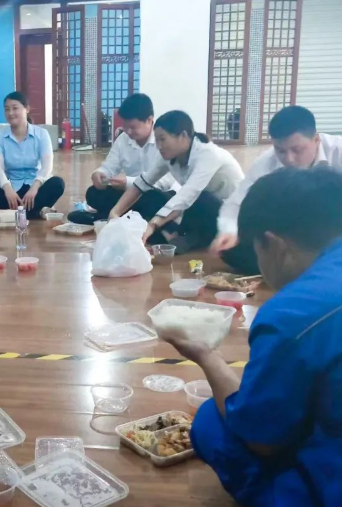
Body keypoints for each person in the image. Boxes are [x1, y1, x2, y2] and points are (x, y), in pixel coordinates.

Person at [160, 167, 342, 507]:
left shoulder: (294, 312)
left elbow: (262, 441)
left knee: (211, 422)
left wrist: (206, 356)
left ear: (275, 245)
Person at [212, 105, 342, 274]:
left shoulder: (338, 151)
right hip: (298, 232)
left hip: (333, 227)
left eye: (297, 150)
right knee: (234, 249)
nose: (289, 159)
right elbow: (236, 202)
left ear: (316, 140)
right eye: (280, 150)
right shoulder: (266, 162)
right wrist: (229, 231)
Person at [108, 110, 244, 253]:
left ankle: (186, 238)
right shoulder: (168, 155)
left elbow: (188, 194)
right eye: (157, 140)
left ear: (183, 136)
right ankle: (174, 234)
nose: (158, 146)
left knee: (203, 199)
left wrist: (153, 224)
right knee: (151, 196)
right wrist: (115, 212)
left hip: (227, 214)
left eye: (162, 139)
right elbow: (143, 182)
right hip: (191, 207)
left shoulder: (208, 154)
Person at [68, 93, 178, 225]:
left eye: (133, 127)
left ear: (149, 120)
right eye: (125, 126)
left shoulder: (164, 140)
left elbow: (165, 182)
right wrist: (100, 174)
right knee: (93, 193)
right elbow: (110, 166)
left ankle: (104, 217)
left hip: (158, 194)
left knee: (153, 199)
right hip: (128, 196)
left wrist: (128, 182)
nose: (128, 131)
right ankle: (125, 218)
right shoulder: (123, 139)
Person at [0, 92, 65, 219]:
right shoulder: (0, 137)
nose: (10, 113)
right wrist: (7, 189)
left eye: (15, 108)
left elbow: (47, 166)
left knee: (58, 183)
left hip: (36, 189)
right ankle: (35, 211)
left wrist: (35, 187)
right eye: (7, 109)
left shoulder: (42, 134)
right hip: (13, 191)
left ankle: (15, 213)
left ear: (27, 109)